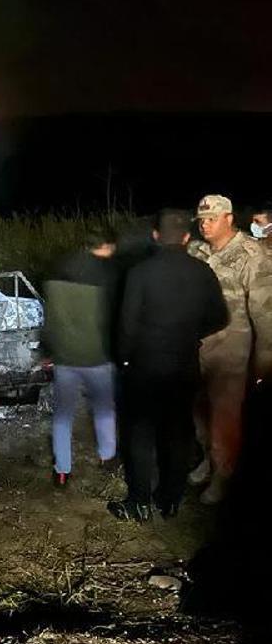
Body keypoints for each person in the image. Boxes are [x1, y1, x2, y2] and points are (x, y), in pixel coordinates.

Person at [108, 210, 227, 522]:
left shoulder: (140, 273)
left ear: (156, 236)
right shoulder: (202, 271)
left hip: (144, 367)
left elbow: (126, 325)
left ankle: (139, 502)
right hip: (184, 365)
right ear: (187, 237)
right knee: (178, 433)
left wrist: (123, 359)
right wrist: (190, 334)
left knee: (140, 434)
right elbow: (220, 317)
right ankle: (170, 500)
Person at [188, 194, 272, 503]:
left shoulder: (252, 254)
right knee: (198, 409)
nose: (205, 225)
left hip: (232, 351)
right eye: (202, 220)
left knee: (225, 417)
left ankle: (223, 475)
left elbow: (265, 315)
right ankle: (207, 460)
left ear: (229, 218)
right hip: (196, 347)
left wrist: (263, 364)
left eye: (212, 219)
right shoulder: (195, 250)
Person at [43, 227, 117, 486]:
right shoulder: (108, 274)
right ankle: (107, 456)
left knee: (63, 414)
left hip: (64, 357)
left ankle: (62, 470)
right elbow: (111, 320)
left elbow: (50, 320)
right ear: (105, 246)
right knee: (104, 408)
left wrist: (48, 351)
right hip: (98, 356)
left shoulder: (57, 269)